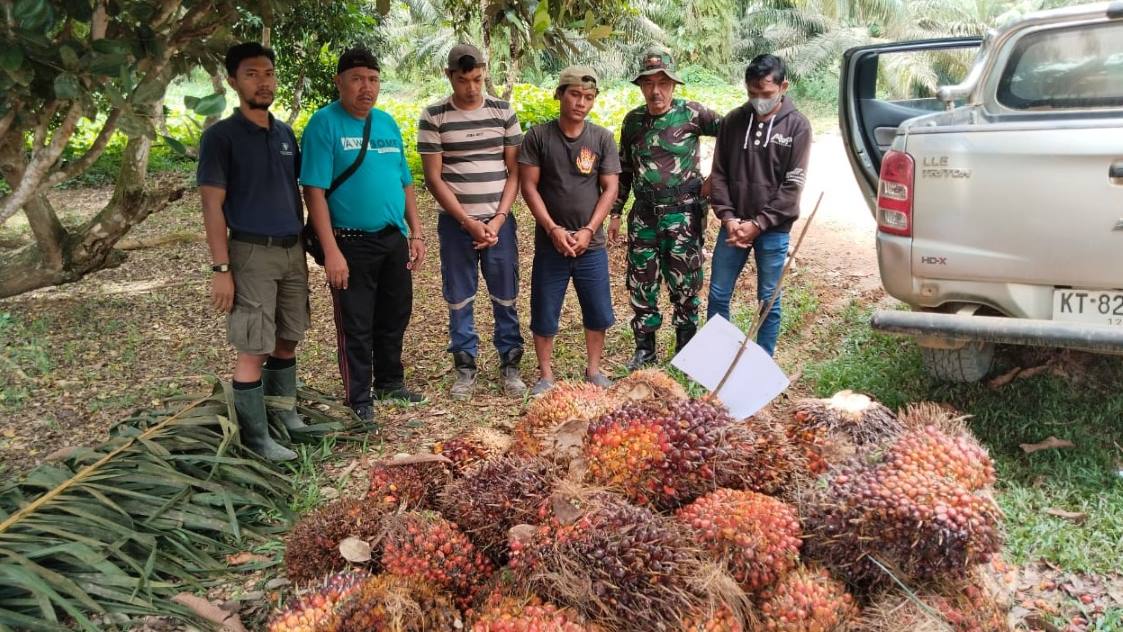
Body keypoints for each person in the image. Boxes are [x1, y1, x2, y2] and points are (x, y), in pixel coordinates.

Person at [299, 47, 427, 422]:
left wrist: (416, 232)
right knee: (355, 323)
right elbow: (313, 191)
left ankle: (389, 381)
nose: (366, 87)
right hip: (349, 241)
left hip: (392, 237)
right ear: (339, 82)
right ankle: (358, 397)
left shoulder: (386, 123)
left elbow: (404, 181)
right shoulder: (324, 124)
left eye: (372, 79)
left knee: (395, 313)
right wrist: (331, 251)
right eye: (356, 79)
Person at [197, 43, 307, 461]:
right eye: (252, 74)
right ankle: (257, 439)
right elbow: (212, 206)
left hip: (291, 250)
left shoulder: (284, 134)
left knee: (288, 336)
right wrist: (221, 268)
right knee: (254, 345)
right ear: (232, 81)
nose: (263, 82)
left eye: (269, 73)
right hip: (251, 252)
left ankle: (285, 416)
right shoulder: (220, 137)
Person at [417, 43, 526, 400]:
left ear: (484, 73)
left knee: (505, 292)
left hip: (499, 224)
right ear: (449, 76)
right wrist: (467, 222)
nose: (472, 88)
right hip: (455, 225)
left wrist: (498, 219)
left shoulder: (503, 111)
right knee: (459, 294)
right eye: (463, 81)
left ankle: (510, 363)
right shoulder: (434, 116)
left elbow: (514, 172)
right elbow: (434, 178)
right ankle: (465, 367)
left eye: (477, 79)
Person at [610, 45, 721, 371]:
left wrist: (716, 177)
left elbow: (733, 132)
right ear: (641, 86)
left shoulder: (692, 114)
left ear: (673, 84)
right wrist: (616, 212)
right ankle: (645, 351)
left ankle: (687, 352)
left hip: (683, 215)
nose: (655, 91)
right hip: (644, 215)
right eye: (648, 83)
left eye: (662, 83)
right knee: (641, 284)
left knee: (685, 286)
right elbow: (624, 169)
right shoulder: (633, 121)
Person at [518, 67, 620, 395]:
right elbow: (529, 187)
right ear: (560, 94)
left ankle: (594, 370)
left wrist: (589, 229)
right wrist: (552, 229)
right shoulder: (538, 137)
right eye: (575, 94)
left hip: (591, 244)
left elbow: (610, 188)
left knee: (598, 310)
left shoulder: (602, 138)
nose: (581, 103)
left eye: (588, 97)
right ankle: (546, 374)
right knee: (544, 309)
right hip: (552, 244)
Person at [707, 54, 811, 357]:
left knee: (768, 299)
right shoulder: (733, 121)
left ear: (783, 87)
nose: (758, 100)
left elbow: (792, 187)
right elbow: (719, 174)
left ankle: (763, 362)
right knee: (718, 294)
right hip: (733, 227)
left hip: (773, 230)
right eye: (752, 93)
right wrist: (728, 218)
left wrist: (758, 224)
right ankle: (717, 359)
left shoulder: (798, 126)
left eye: (765, 93)